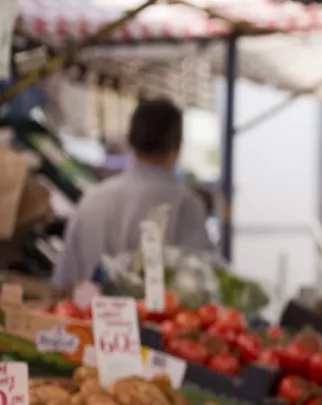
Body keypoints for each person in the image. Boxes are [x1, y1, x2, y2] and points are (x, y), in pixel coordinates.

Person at [52, 98, 213, 291]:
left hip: (84, 319)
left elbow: (62, 283)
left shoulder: (92, 199)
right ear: (178, 146)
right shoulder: (186, 205)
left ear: (129, 139)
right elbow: (201, 284)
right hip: (159, 320)